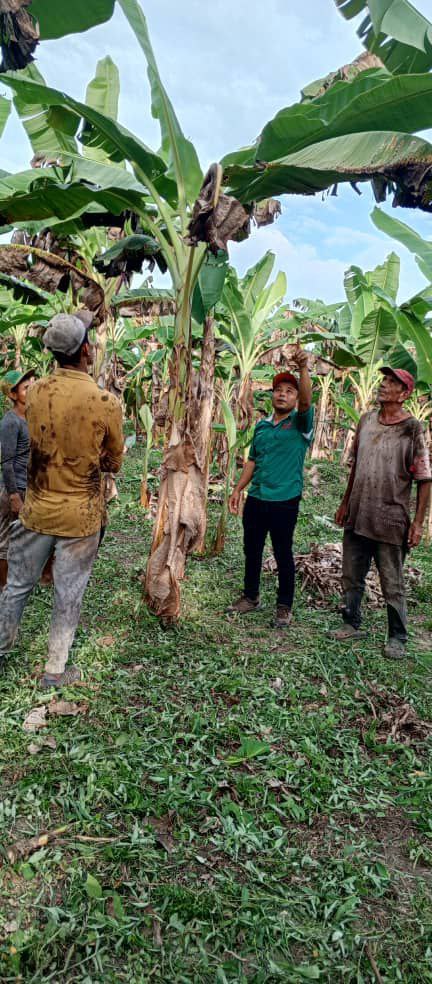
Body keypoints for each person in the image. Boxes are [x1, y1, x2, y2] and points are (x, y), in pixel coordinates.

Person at [0, 312, 124, 688]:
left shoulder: (35, 392)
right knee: (68, 594)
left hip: (37, 509)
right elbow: (113, 462)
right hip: (80, 515)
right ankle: (55, 669)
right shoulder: (105, 401)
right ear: (86, 349)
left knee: (17, 586)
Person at [333, 366, 431, 658]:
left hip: (390, 518)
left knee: (392, 580)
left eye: (392, 383)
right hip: (358, 511)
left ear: (404, 394)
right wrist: (344, 501)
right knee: (351, 573)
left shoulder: (412, 428)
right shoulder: (366, 421)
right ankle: (351, 622)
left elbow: (424, 479)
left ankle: (397, 636)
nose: (384, 385)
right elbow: (355, 467)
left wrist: (418, 523)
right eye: (384, 380)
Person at [228, 346, 313, 628]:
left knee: (282, 552)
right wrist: (238, 488)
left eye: (290, 390)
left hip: (284, 499)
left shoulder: (301, 423)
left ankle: (284, 605)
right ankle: (251, 596)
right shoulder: (262, 426)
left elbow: (306, 402)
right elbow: (253, 460)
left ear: (296, 397)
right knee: (251, 549)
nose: (282, 394)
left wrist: (303, 369)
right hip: (257, 496)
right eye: (279, 390)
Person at [0, 369, 35, 588]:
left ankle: (16, 582)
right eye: (25, 388)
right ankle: (3, 586)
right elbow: (7, 461)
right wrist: (13, 495)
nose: (31, 389)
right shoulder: (10, 422)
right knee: (4, 541)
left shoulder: (30, 418)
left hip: (28, 487)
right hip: (13, 489)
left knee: (21, 538)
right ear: (13, 395)